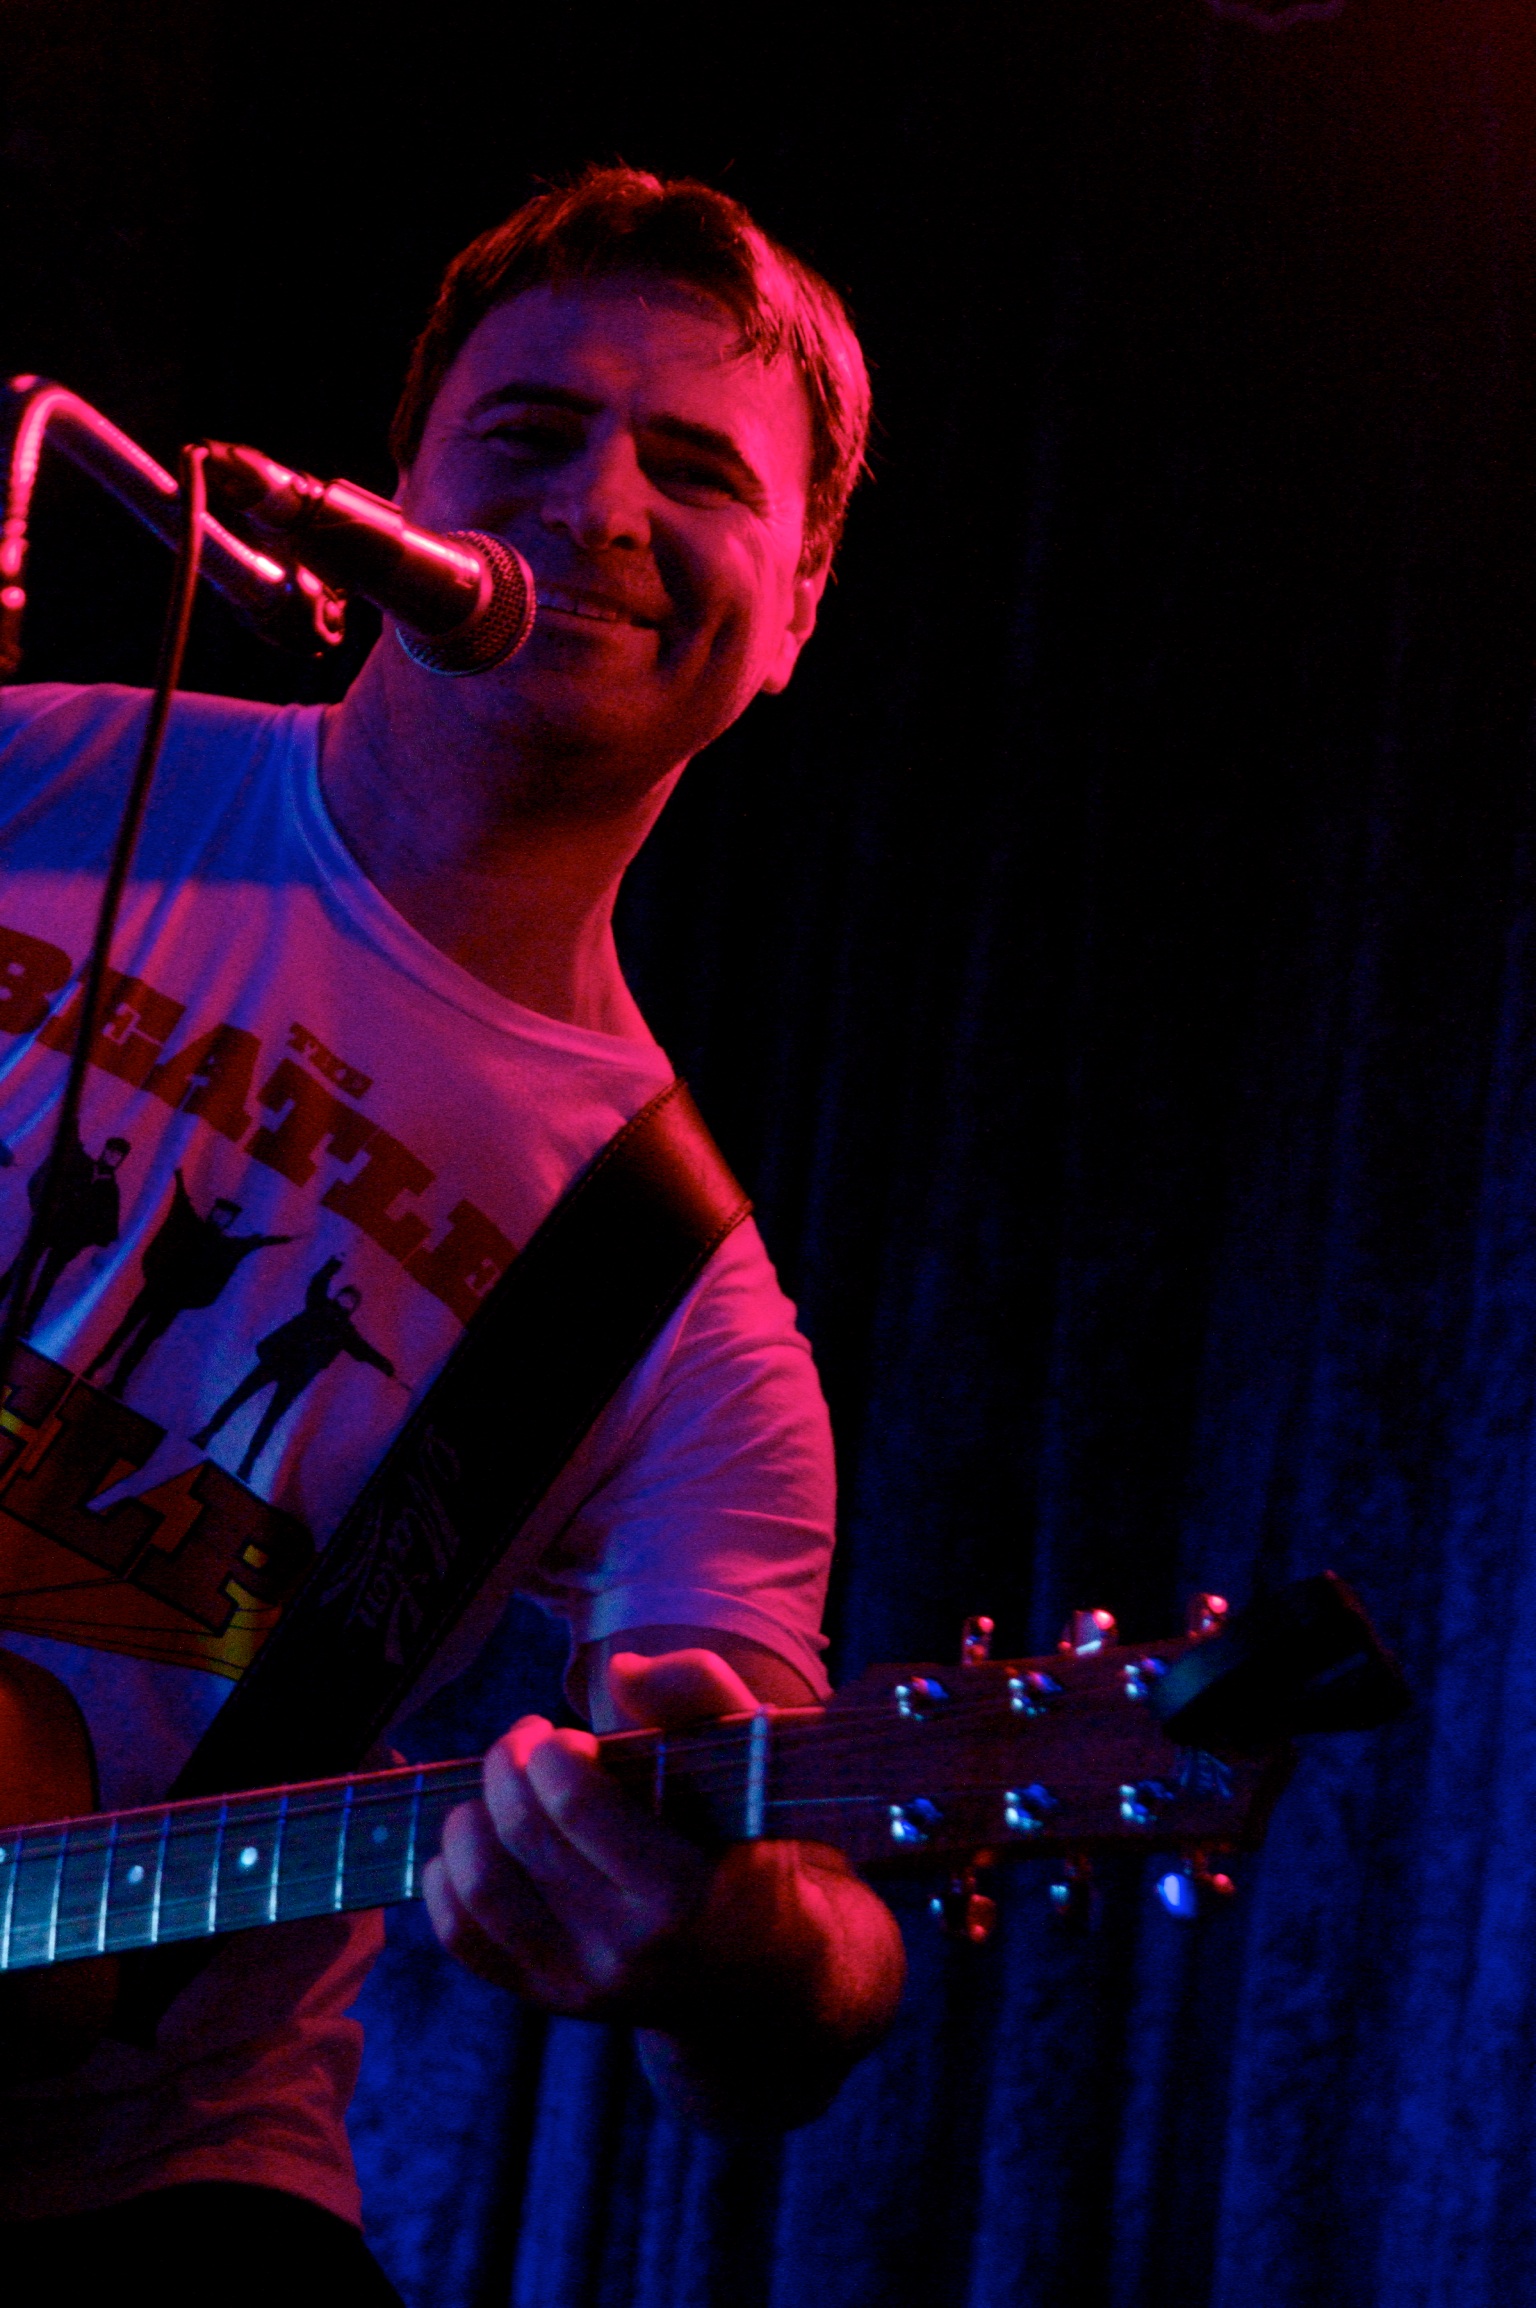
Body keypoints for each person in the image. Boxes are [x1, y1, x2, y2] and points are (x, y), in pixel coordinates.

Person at [0, 167, 904, 2292]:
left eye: (698, 471)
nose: (599, 506)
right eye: (531, 432)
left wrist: (726, 1936)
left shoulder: (675, 1306)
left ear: (794, 608)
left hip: (136, 2175)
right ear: (396, 491)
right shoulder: (34, 782)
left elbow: (806, 1994)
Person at [83, 1167, 293, 1399]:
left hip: (171, 1301)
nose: (220, 1217)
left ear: (229, 1222)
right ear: (213, 1212)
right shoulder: (193, 1226)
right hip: (156, 1290)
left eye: (225, 1216)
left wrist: (274, 1240)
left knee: (142, 1342)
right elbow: (181, 1204)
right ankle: (95, 1366)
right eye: (219, 1212)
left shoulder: (222, 1245)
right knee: (124, 1331)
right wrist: (180, 1179)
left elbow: (246, 1244)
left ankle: (118, 1381)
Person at [192, 1254, 394, 1478]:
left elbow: (365, 1351)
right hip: (279, 1361)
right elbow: (318, 1282)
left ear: (352, 1307)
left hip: (294, 1374)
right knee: (242, 1398)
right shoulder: (321, 1307)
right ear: (338, 1297)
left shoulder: (343, 1329)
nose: (344, 1302)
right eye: (344, 1297)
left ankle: (245, 1462)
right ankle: (210, 1435)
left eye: (349, 1301)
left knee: (267, 1417)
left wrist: (386, 1367)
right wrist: (333, 1264)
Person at [0, 1124, 129, 1330]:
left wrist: (80, 1239)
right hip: (49, 1227)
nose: (113, 1156)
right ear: (105, 1150)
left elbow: (107, 1228)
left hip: (67, 1242)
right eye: (111, 1151)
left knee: (46, 1281)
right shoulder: (83, 1167)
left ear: (122, 1160)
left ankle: (26, 1324)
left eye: (118, 1155)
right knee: (21, 1265)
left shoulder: (110, 1190)